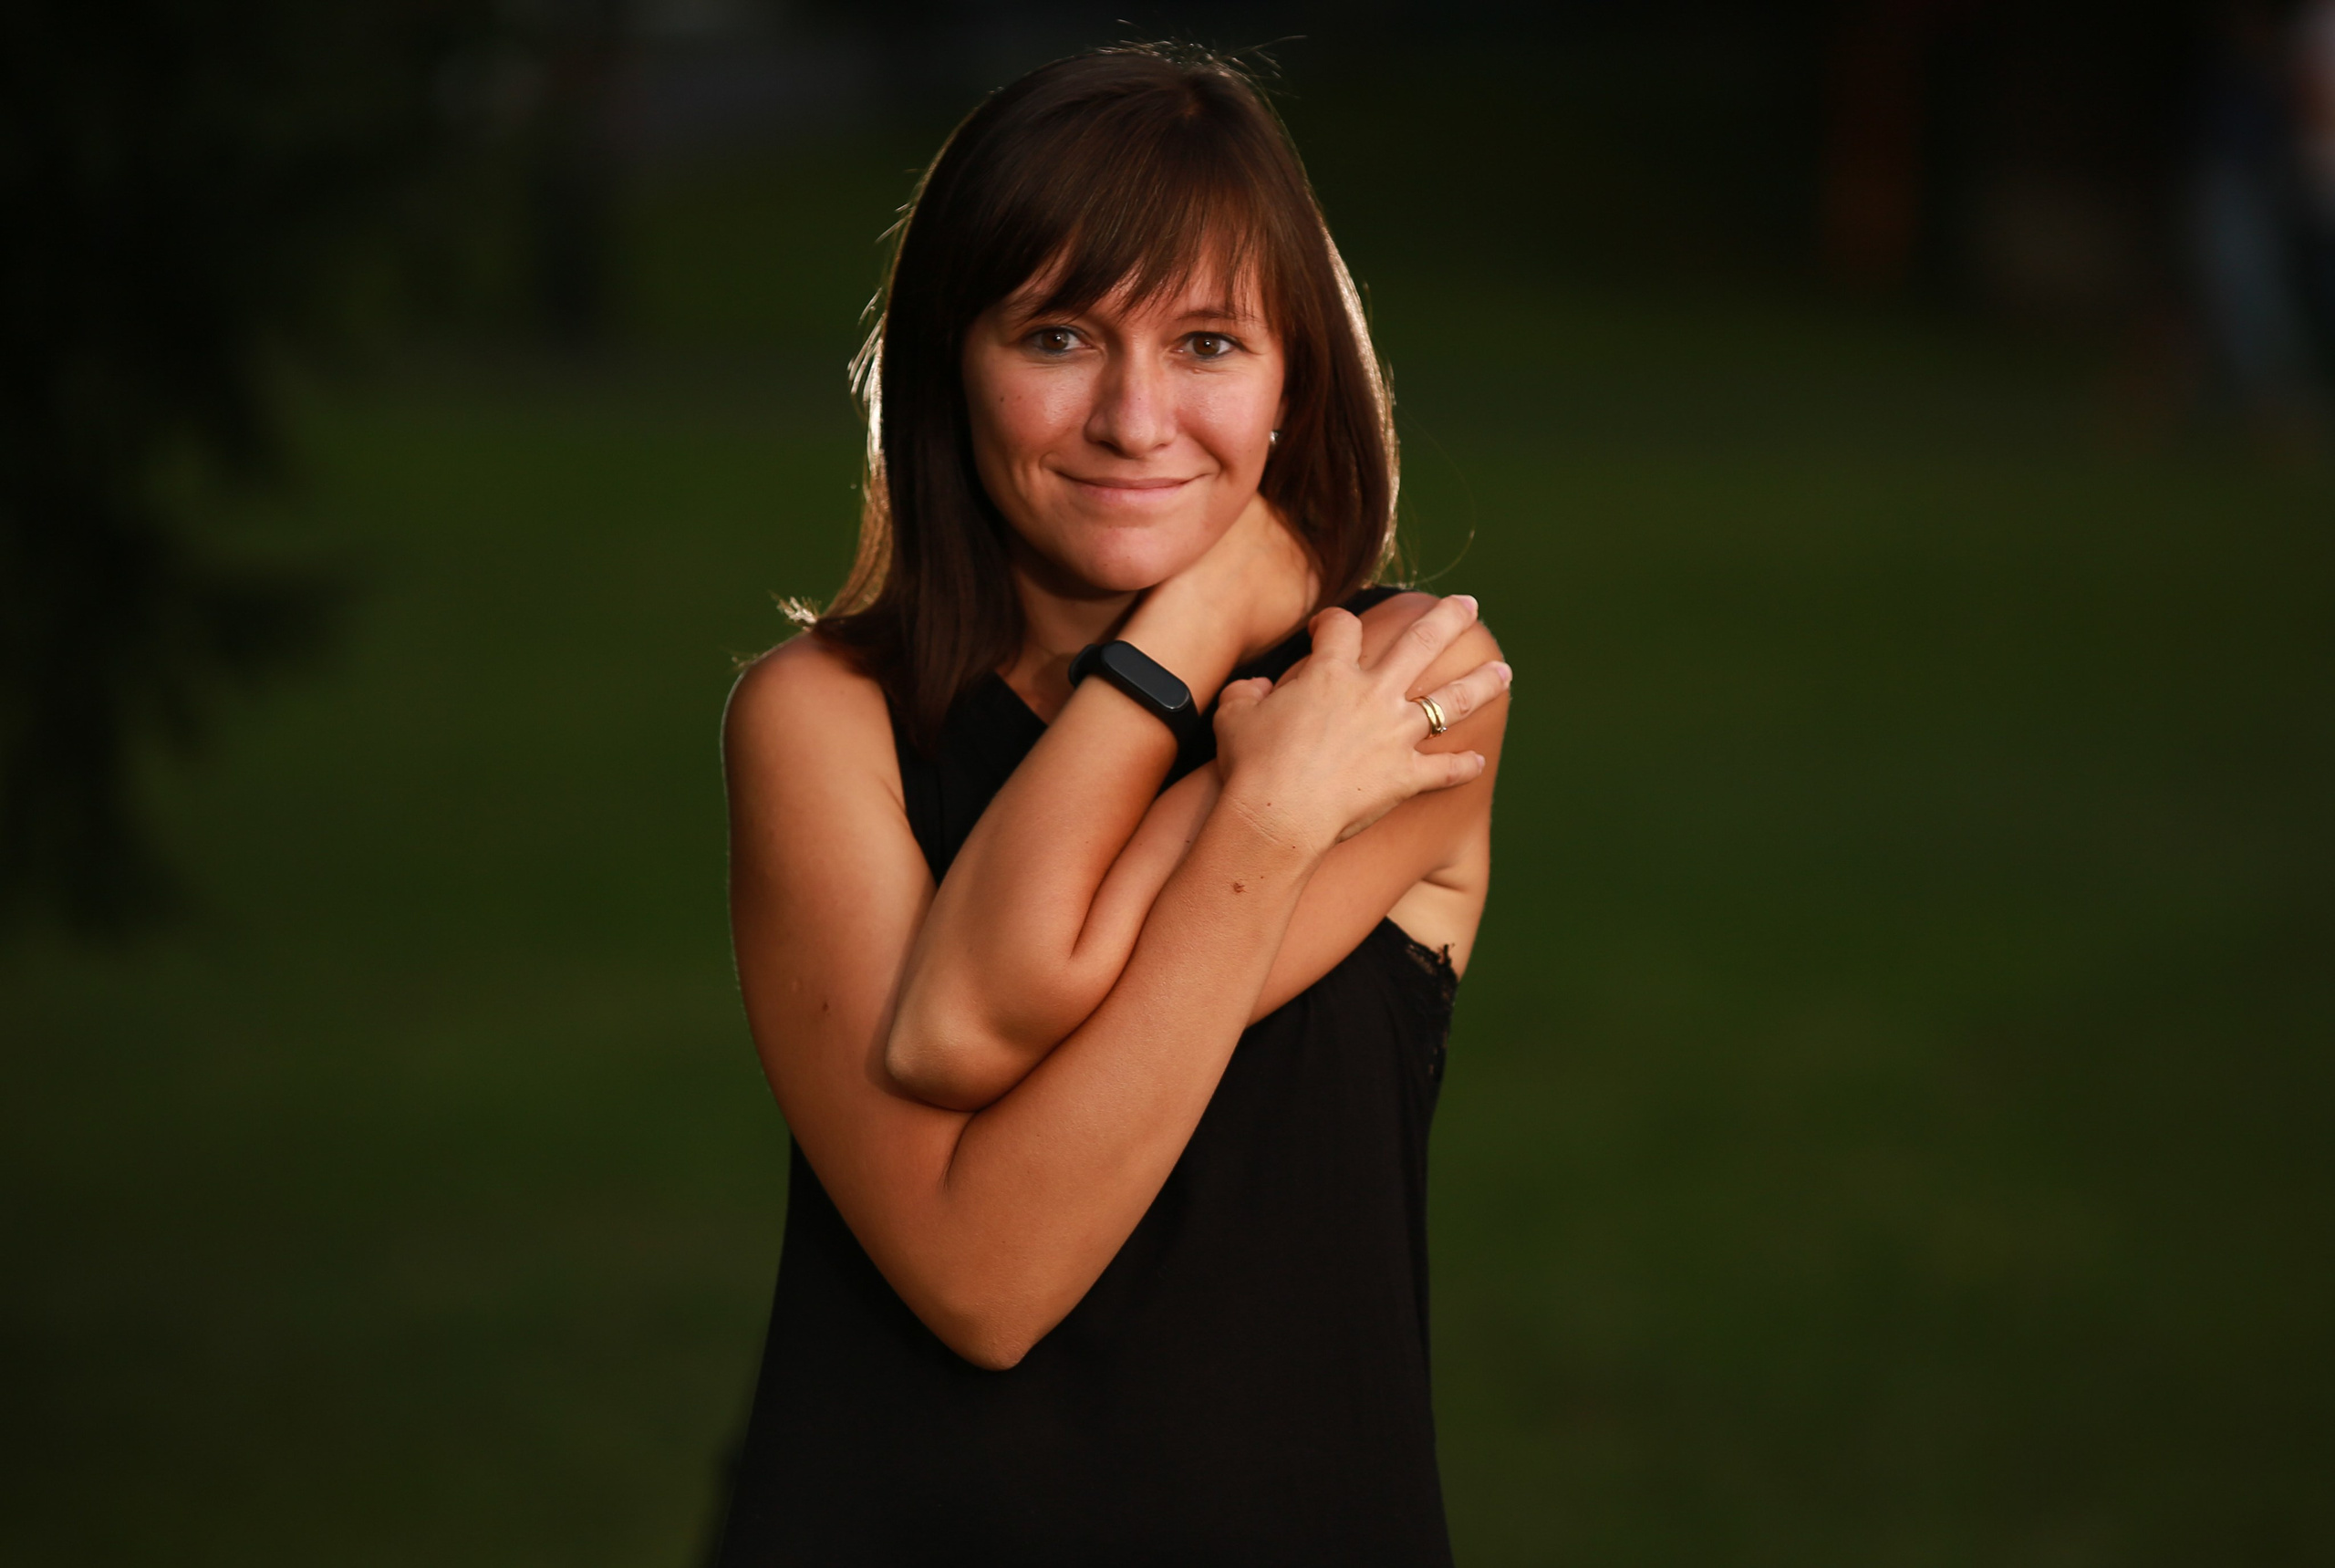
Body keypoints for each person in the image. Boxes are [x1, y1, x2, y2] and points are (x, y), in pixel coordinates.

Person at [713, 43, 1510, 1564]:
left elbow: (975, 1008)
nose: (1137, 420)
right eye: (1063, 335)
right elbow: (985, 1275)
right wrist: (1201, 670)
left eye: (1210, 344)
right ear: (955, 355)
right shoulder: (819, 724)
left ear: (1296, 380)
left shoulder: (1409, 688)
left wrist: (1265, 771)